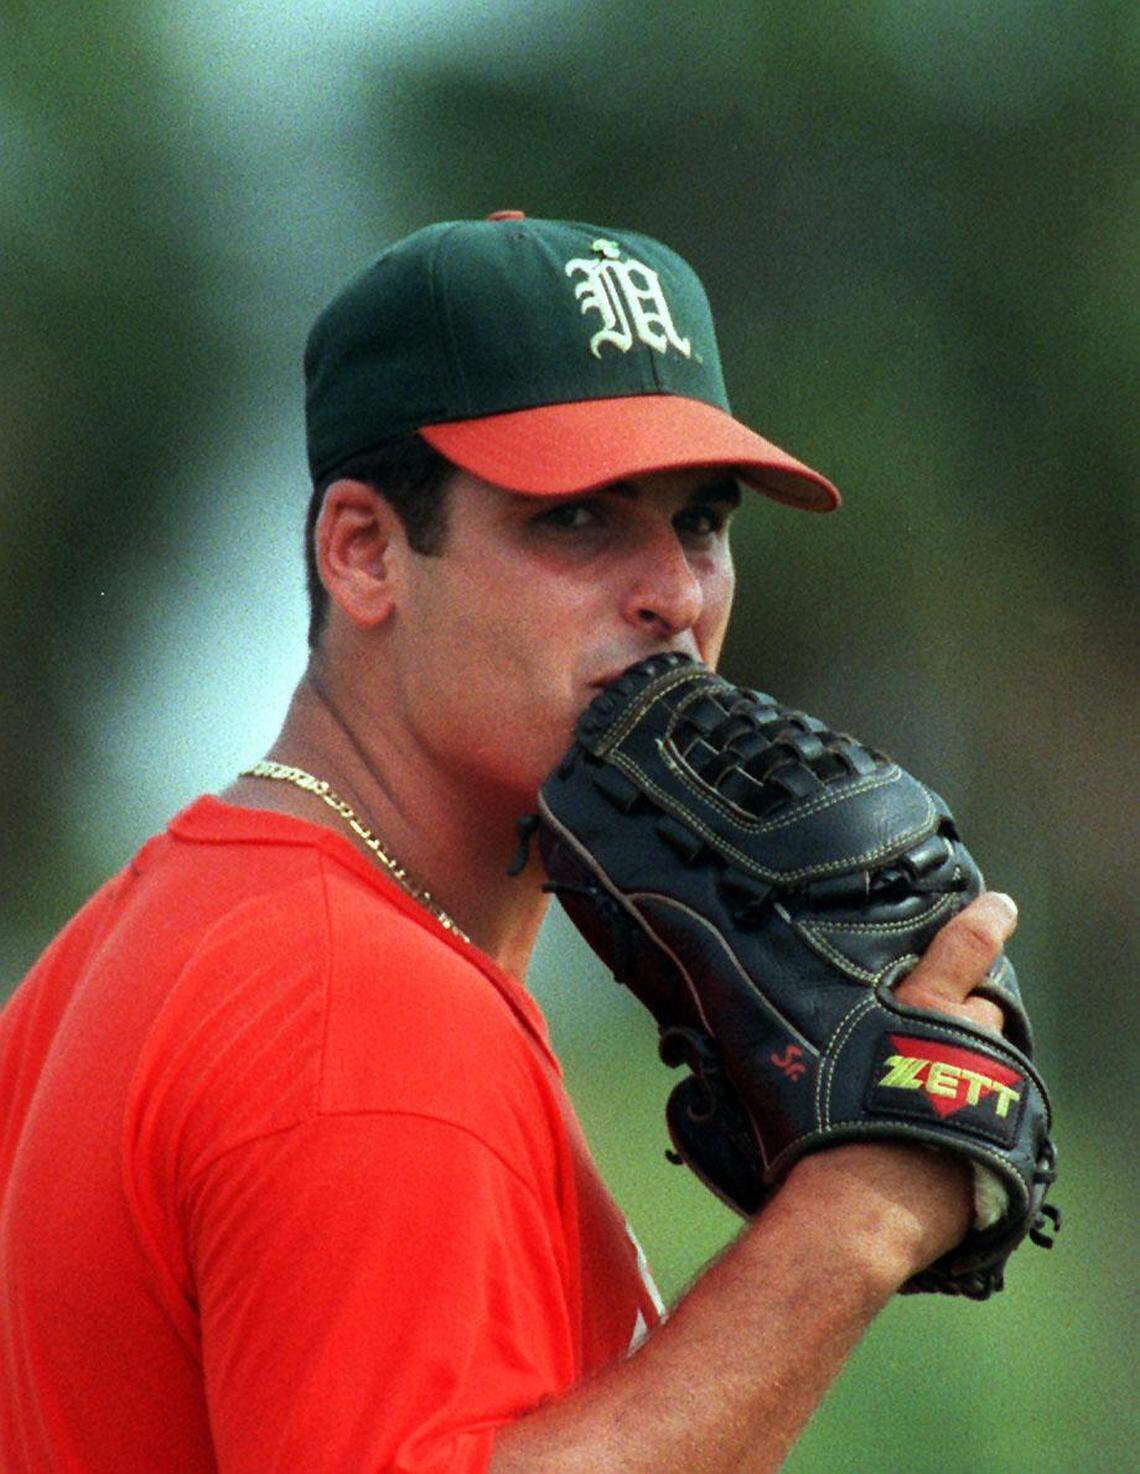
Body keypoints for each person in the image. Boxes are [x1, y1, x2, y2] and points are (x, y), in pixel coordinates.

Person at [0, 212, 1016, 1473]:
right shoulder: (360, 1010)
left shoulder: (147, 937)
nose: (675, 594)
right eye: (580, 520)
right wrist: (855, 1221)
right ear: (364, 552)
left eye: (700, 520)